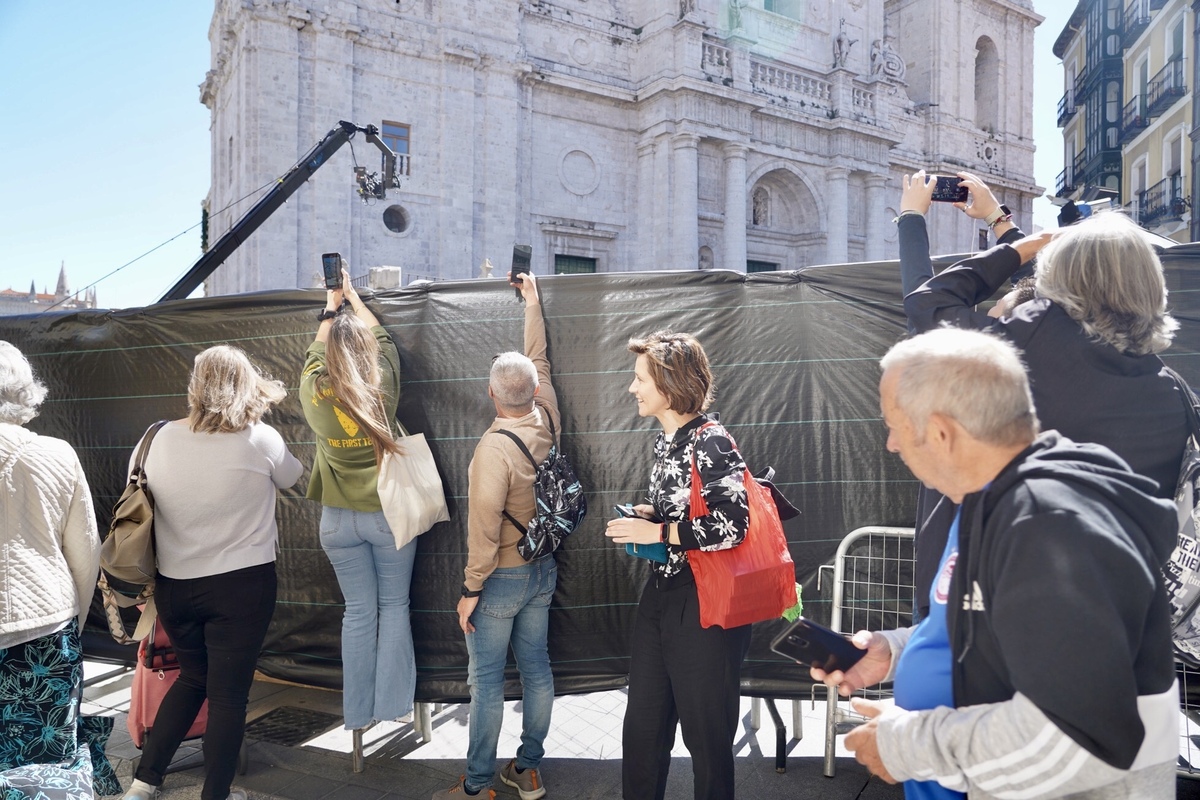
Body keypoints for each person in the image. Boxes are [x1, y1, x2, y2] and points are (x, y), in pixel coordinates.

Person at [813, 327, 1177, 798]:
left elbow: (1072, 739)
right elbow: (995, 628)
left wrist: (905, 746)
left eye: (893, 426)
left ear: (941, 432)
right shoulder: (995, 503)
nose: (892, 445)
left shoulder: (1047, 527)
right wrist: (899, 650)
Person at [904, 207, 1190, 617]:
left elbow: (929, 306)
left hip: (996, 610)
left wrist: (1025, 246)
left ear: (1064, 276)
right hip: (1117, 615)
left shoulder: (1039, 335)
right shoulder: (1166, 385)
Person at [123, 345, 303, 800]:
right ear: (246, 385)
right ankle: (216, 795)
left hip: (175, 586)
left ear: (194, 385)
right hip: (241, 586)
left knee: (192, 678)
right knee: (228, 696)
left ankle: (144, 783)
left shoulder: (154, 437)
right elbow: (293, 476)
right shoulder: (260, 439)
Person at [604, 331, 753, 800]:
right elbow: (685, 508)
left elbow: (734, 524)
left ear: (669, 384)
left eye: (640, 378)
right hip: (662, 596)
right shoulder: (665, 441)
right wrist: (653, 515)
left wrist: (661, 533)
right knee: (643, 731)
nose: (633, 388)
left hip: (705, 602)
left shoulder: (712, 442)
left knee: (707, 741)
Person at [434, 271, 558, 800]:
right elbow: (541, 360)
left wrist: (470, 591)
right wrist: (532, 303)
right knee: (537, 668)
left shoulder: (492, 449)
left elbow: (482, 530)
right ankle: (527, 768)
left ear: (490, 394)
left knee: (486, 681)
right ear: (532, 390)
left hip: (501, 579)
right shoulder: (548, 413)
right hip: (544, 570)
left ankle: (479, 785)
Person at [300, 267, 417, 733]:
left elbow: (313, 353)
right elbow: (382, 337)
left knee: (358, 613)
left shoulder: (313, 390)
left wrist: (331, 305)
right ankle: (391, 708)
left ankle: (356, 715)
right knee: (394, 608)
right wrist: (353, 296)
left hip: (335, 523)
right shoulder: (380, 386)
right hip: (386, 517)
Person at [0, 342, 106, 798]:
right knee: (43, 772)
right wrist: (72, 627)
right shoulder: (55, 454)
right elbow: (85, 553)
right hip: (42, 632)